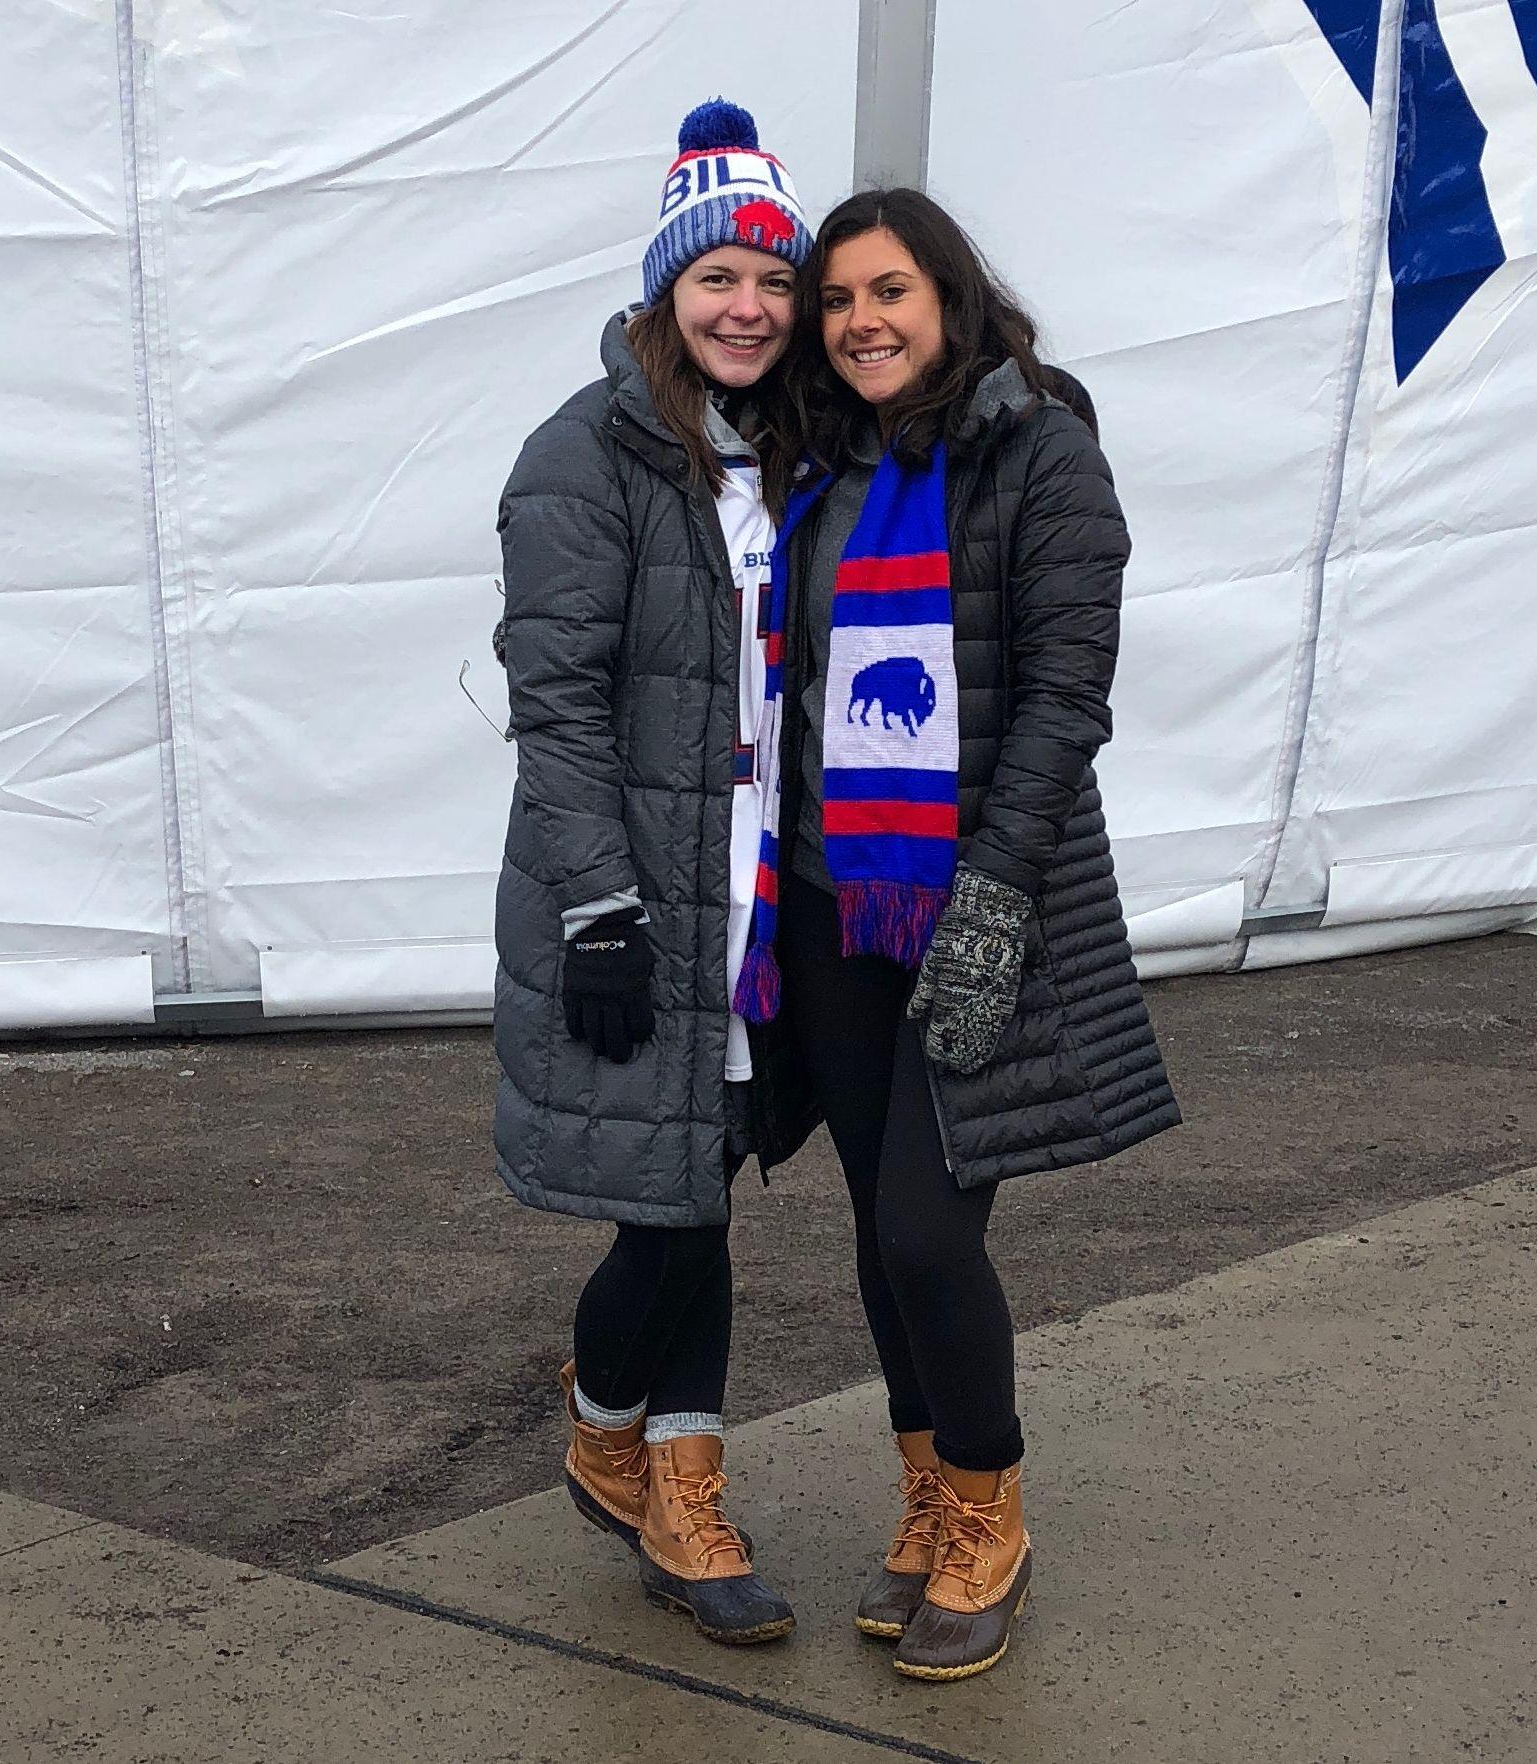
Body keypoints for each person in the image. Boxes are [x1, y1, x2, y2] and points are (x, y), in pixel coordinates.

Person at [729, 187, 1180, 1681]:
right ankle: (925, 1497)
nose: (860, 321)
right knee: (878, 1225)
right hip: (831, 901)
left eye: (890, 291)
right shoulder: (816, 461)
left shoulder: (1040, 451)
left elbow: (1065, 699)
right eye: (837, 298)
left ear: (950, 297)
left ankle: (989, 1510)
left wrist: (989, 900)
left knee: (929, 1224)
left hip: (975, 899)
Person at [491, 99, 825, 1647]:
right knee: (672, 1214)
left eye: (773, 280)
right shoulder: (585, 457)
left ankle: (665, 1467)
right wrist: (600, 907)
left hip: (765, 893)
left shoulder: (803, 451)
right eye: (717, 279)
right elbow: (555, 706)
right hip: (642, 894)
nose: (747, 307)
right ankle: (622, 1437)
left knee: (705, 1186)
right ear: (663, 293)